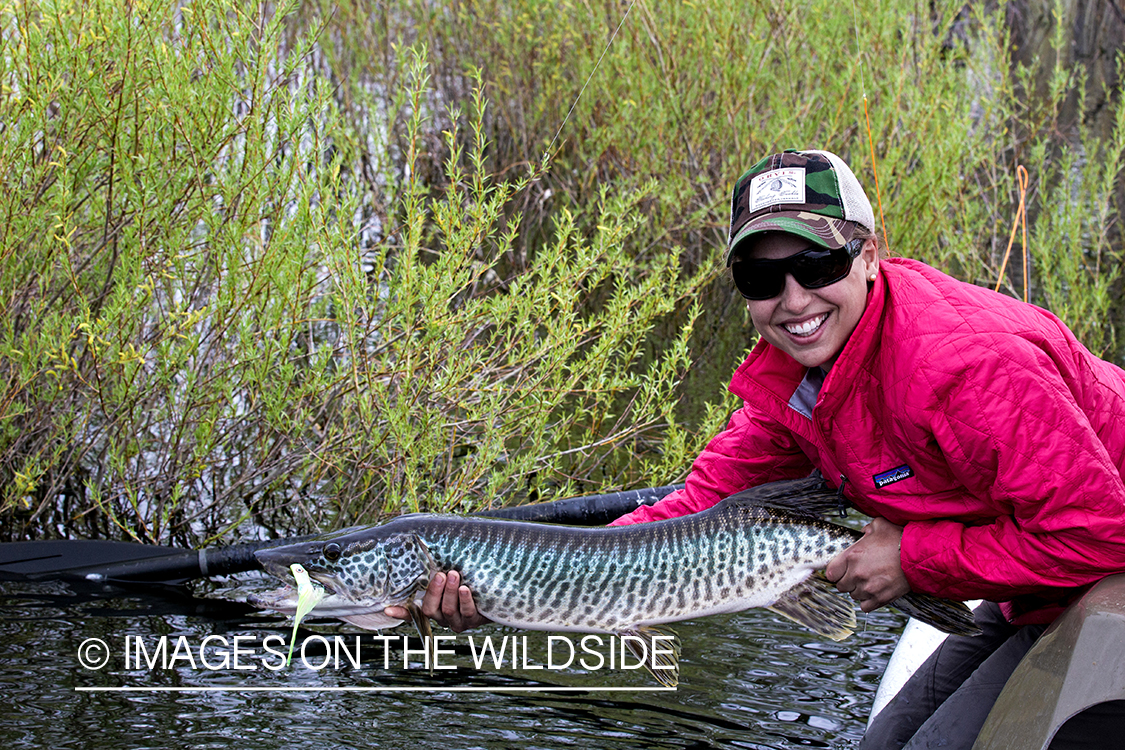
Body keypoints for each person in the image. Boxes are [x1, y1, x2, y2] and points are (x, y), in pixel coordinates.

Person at [386, 149, 1125, 748]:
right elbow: (687, 513)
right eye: (762, 277)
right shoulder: (796, 386)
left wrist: (911, 558)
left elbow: (1100, 531)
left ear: (869, 255)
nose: (794, 300)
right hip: (1028, 576)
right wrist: (518, 588)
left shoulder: (966, 366)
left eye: (816, 266)